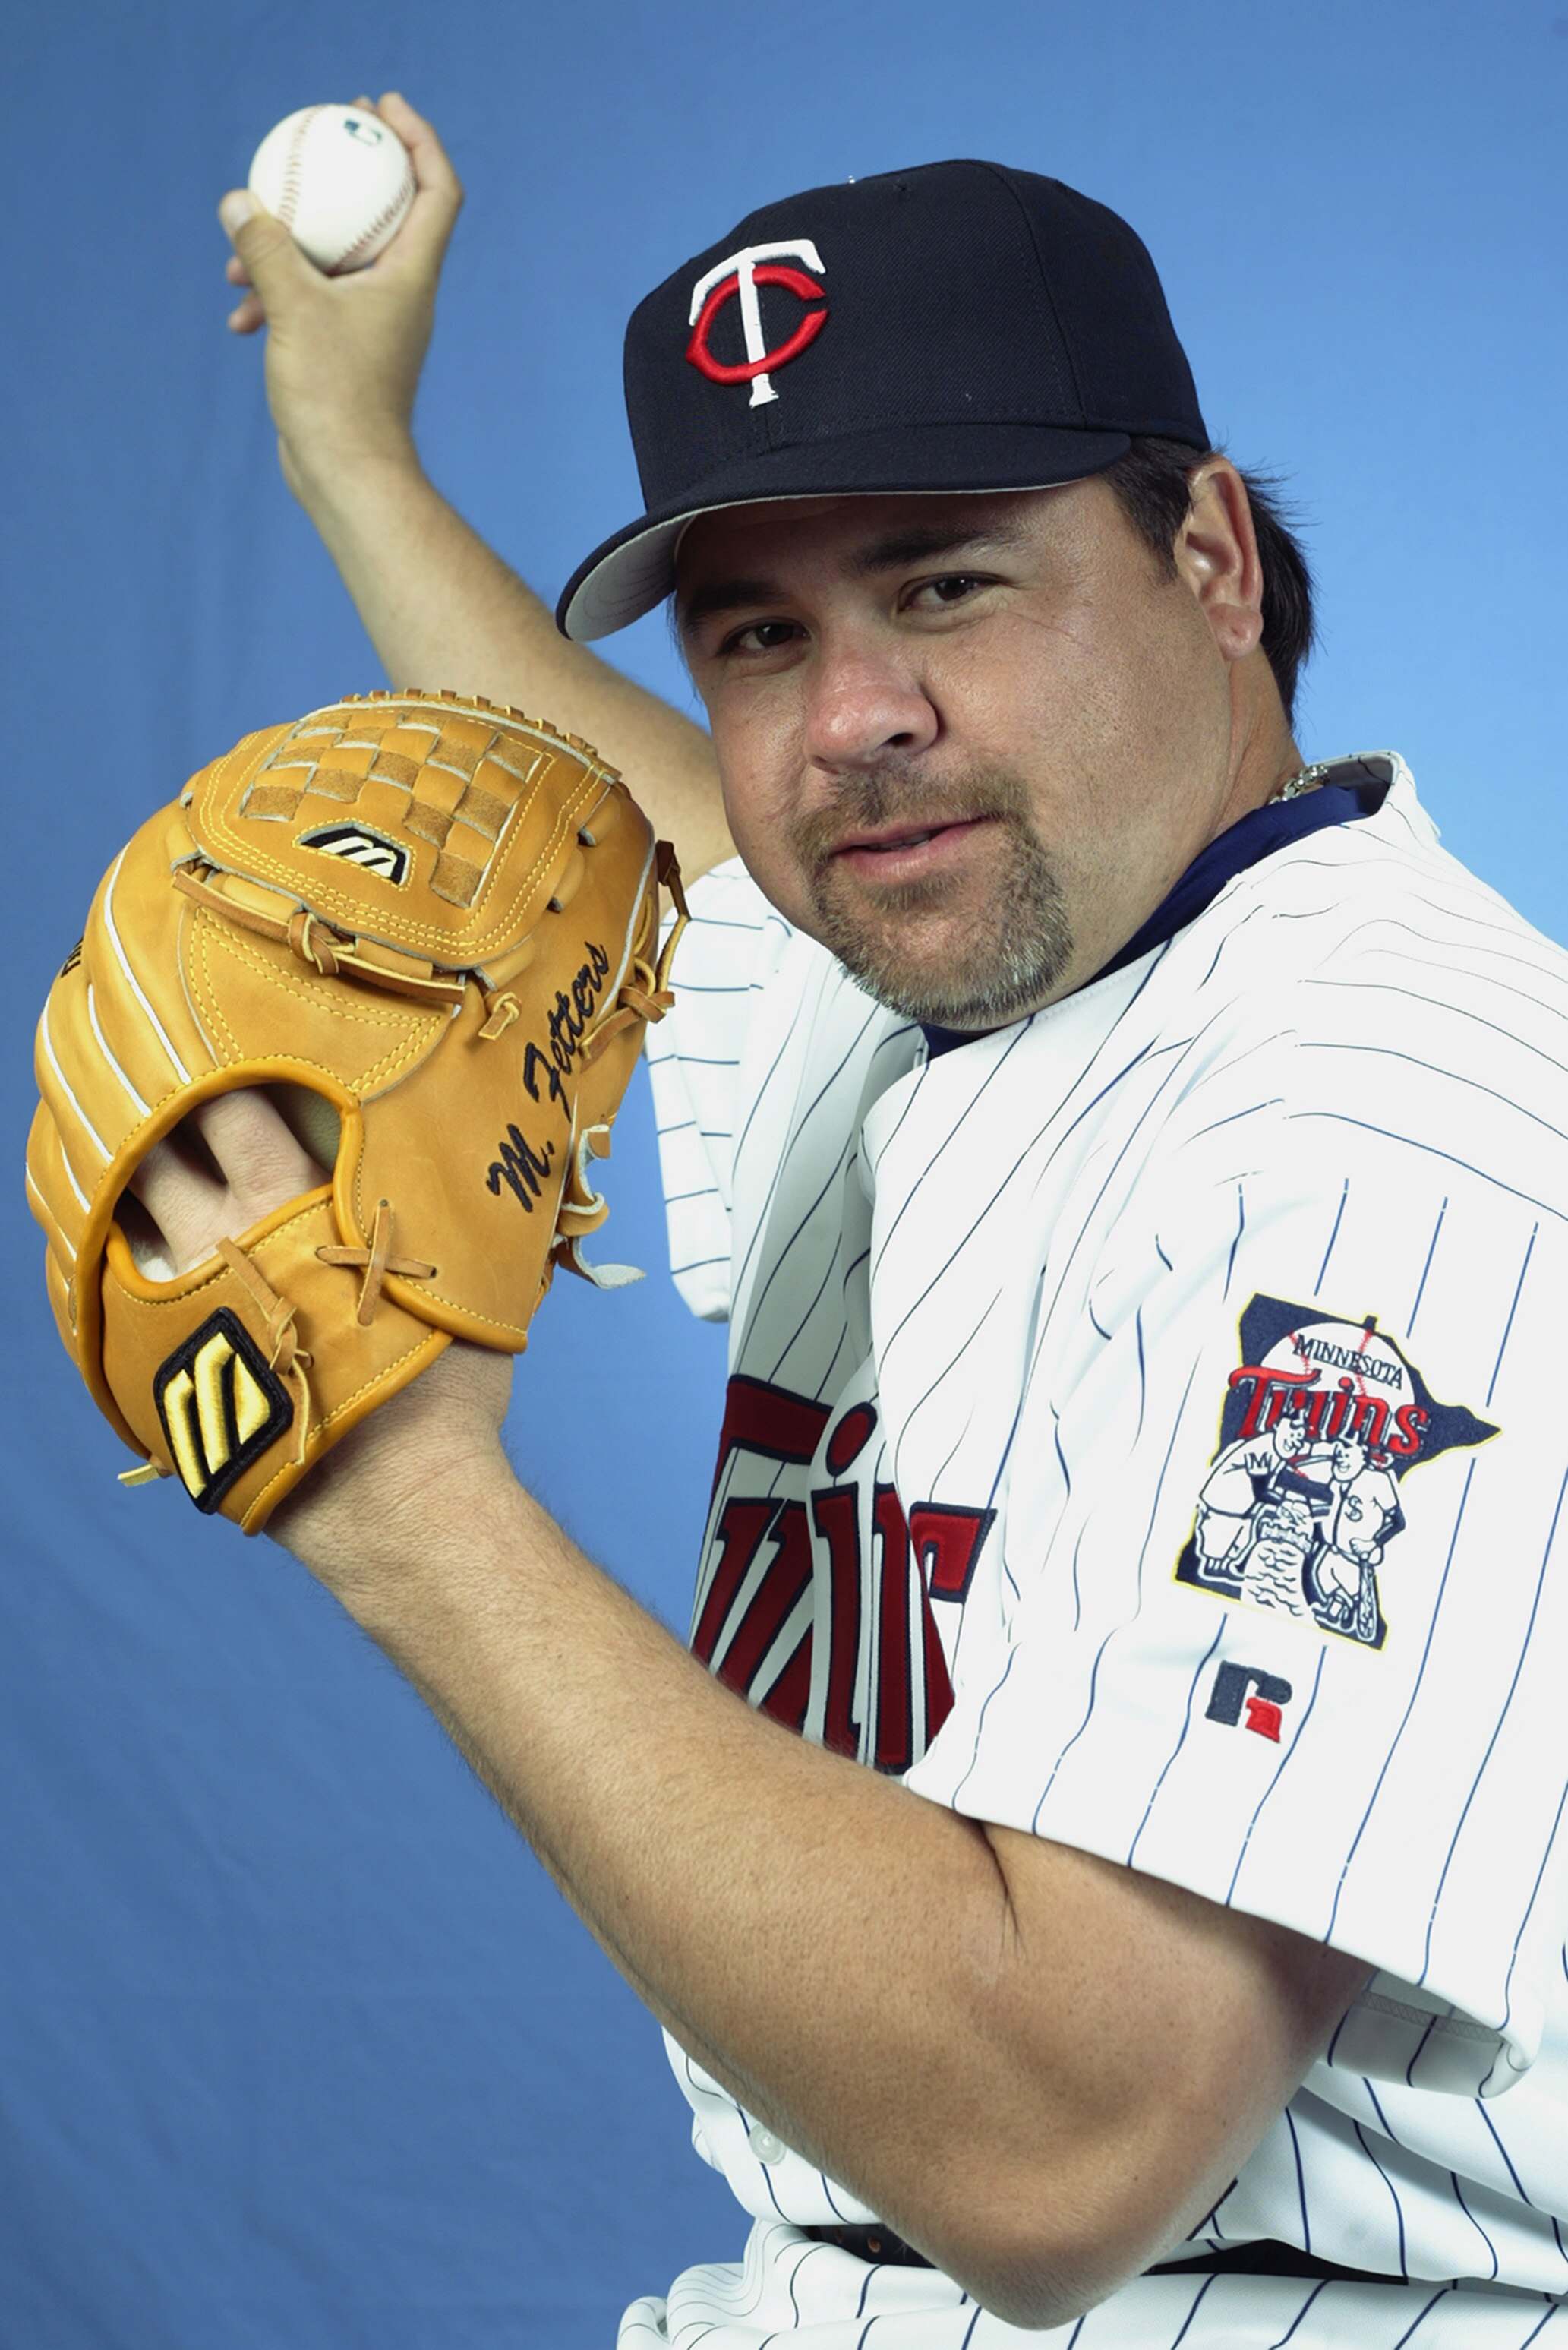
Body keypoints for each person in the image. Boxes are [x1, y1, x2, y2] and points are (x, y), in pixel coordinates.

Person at [134, 95, 1568, 2345]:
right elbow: (683, 828)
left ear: (1204, 556)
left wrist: (394, 1495)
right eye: (757, 632)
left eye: (943, 583)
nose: (851, 725)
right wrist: (352, 445)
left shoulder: (1381, 1142)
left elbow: (1063, 2147)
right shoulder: (968, 944)